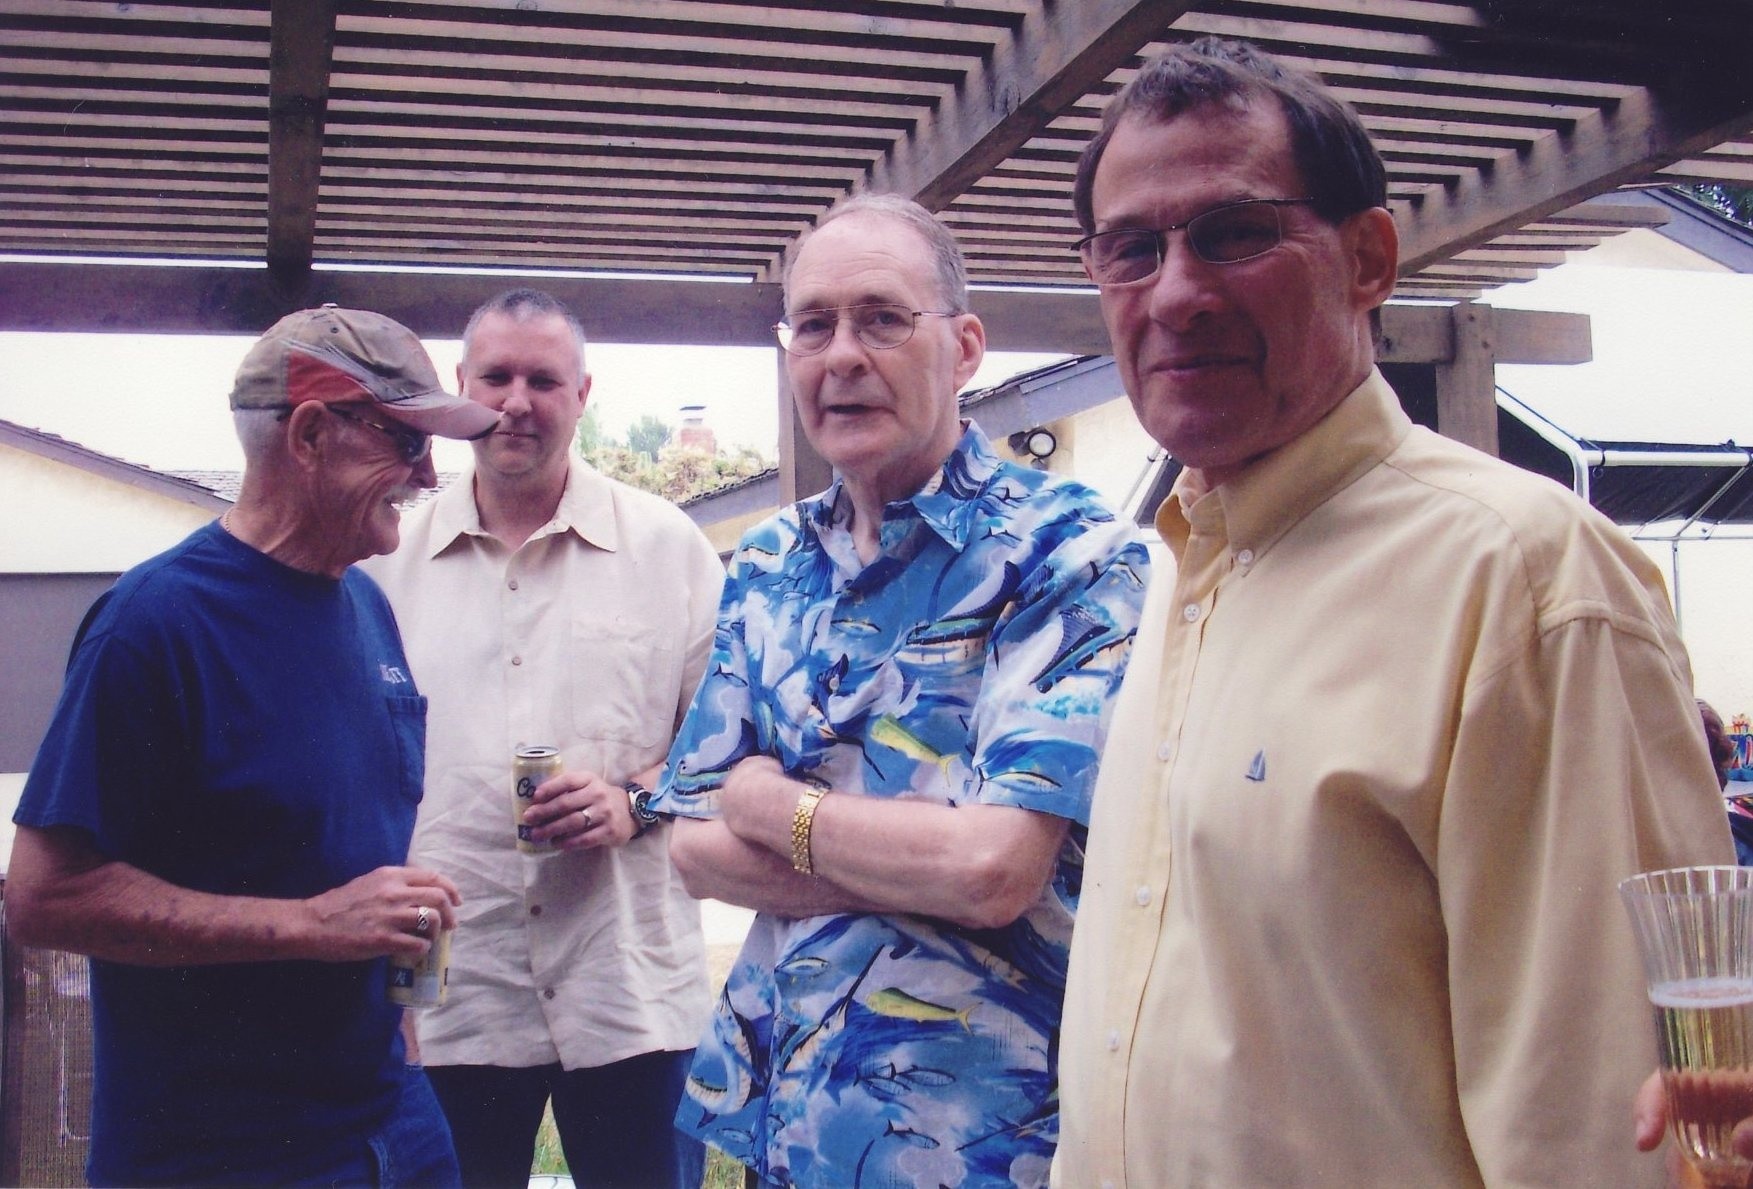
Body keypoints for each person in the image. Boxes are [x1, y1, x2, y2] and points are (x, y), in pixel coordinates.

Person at [1054, 36, 1735, 1187]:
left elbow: (1598, 1128)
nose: (1173, 291)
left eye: (1233, 232)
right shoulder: (1180, 568)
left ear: (1368, 257)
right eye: (1131, 250)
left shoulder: (1523, 582)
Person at [650, 193, 1149, 1188]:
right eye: (815, 325)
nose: (841, 355)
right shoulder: (767, 560)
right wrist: (912, 861)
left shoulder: (1068, 553)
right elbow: (692, 851)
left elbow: (992, 872)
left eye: (882, 317)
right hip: (781, 1127)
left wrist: (772, 803)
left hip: (980, 1141)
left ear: (964, 348)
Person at [6, 304, 501, 1187]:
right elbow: (44, 900)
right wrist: (311, 925)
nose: (430, 476)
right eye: (406, 442)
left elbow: (342, 841)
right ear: (311, 433)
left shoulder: (365, 606)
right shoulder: (153, 625)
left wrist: (401, 1013)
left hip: (394, 1123)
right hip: (221, 1151)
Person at [362, 288, 721, 1189]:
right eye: (497, 375)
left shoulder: (667, 547)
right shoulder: (381, 565)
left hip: (626, 987)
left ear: (583, 393)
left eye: (543, 379)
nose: (517, 399)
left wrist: (633, 800)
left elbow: (726, 743)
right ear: (461, 385)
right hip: (450, 988)